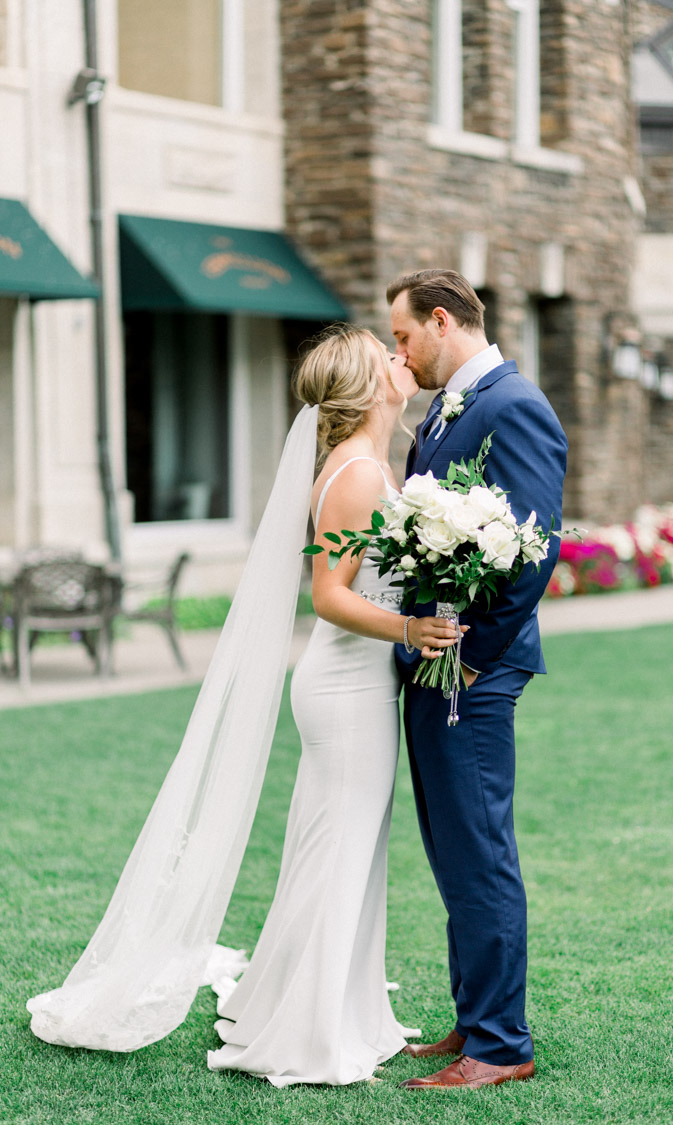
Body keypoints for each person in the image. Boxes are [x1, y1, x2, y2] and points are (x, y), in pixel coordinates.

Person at [26, 325, 458, 1086]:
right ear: (368, 385)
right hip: (346, 687)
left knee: (346, 847)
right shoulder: (356, 474)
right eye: (384, 353)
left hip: (360, 685)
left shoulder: (370, 463)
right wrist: (410, 627)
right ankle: (311, 1030)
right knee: (340, 849)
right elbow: (327, 597)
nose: (402, 358)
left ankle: (333, 1003)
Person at [388, 269, 568, 1091]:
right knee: (453, 852)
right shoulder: (449, 405)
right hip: (435, 662)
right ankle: (474, 1015)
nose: (401, 351)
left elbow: (531, 550)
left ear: (440, 320)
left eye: (402, 335)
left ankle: (500, 1044)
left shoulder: (513, 403)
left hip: (473, 670)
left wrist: (468, 654)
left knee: (481, 851)